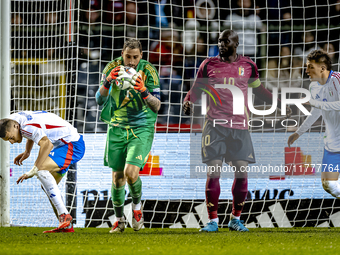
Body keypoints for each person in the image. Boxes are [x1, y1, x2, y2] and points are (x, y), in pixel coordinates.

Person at [183, 29, 291, 232]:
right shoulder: (208, 65)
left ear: (236, 43)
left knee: (242, 175)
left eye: (225, 41)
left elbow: (259, 90)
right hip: (214, 126)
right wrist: (189, 100)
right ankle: (213, 221)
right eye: (219, 41)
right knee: (213, 172)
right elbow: (196, 88)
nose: (221, 44)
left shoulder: (248, 65)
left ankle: (235, 218)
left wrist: (278, 103)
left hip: (240, 127)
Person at [95, 38, 161, 233]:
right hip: (116, 127)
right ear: (122, 53)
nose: (131, 62)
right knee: (117, 178)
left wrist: (144, 91)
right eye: (127, 56)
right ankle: (119, 219)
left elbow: (157, 106)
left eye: (135, 57)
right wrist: (108, 82)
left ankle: (137, 209)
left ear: (141, 56)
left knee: (131, 173)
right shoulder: (112, 68)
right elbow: (99, 99)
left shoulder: (148, 71)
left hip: (141, 127)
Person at [0, 111, 85, 233]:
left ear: (15, 127)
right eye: (9, 140)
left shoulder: (25, 126)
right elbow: (33, 133)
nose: (12, 142)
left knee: (41, 171)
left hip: (72, 145)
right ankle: (65, 225)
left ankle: (64, 216)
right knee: (48, 185)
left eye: (11, 138)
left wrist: (34, 170)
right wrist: (27, 152)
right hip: (61, 145)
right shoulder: (13, 120)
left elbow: (46, 143)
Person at [288, 50, 340, 200]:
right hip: (332, 143)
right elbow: (316, 112)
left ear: (322, 68)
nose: (306, 71)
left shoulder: (337, 79)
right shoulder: (313, 87)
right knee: (329, 185)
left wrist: (313, 102)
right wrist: (299, 132)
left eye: (310, 67)